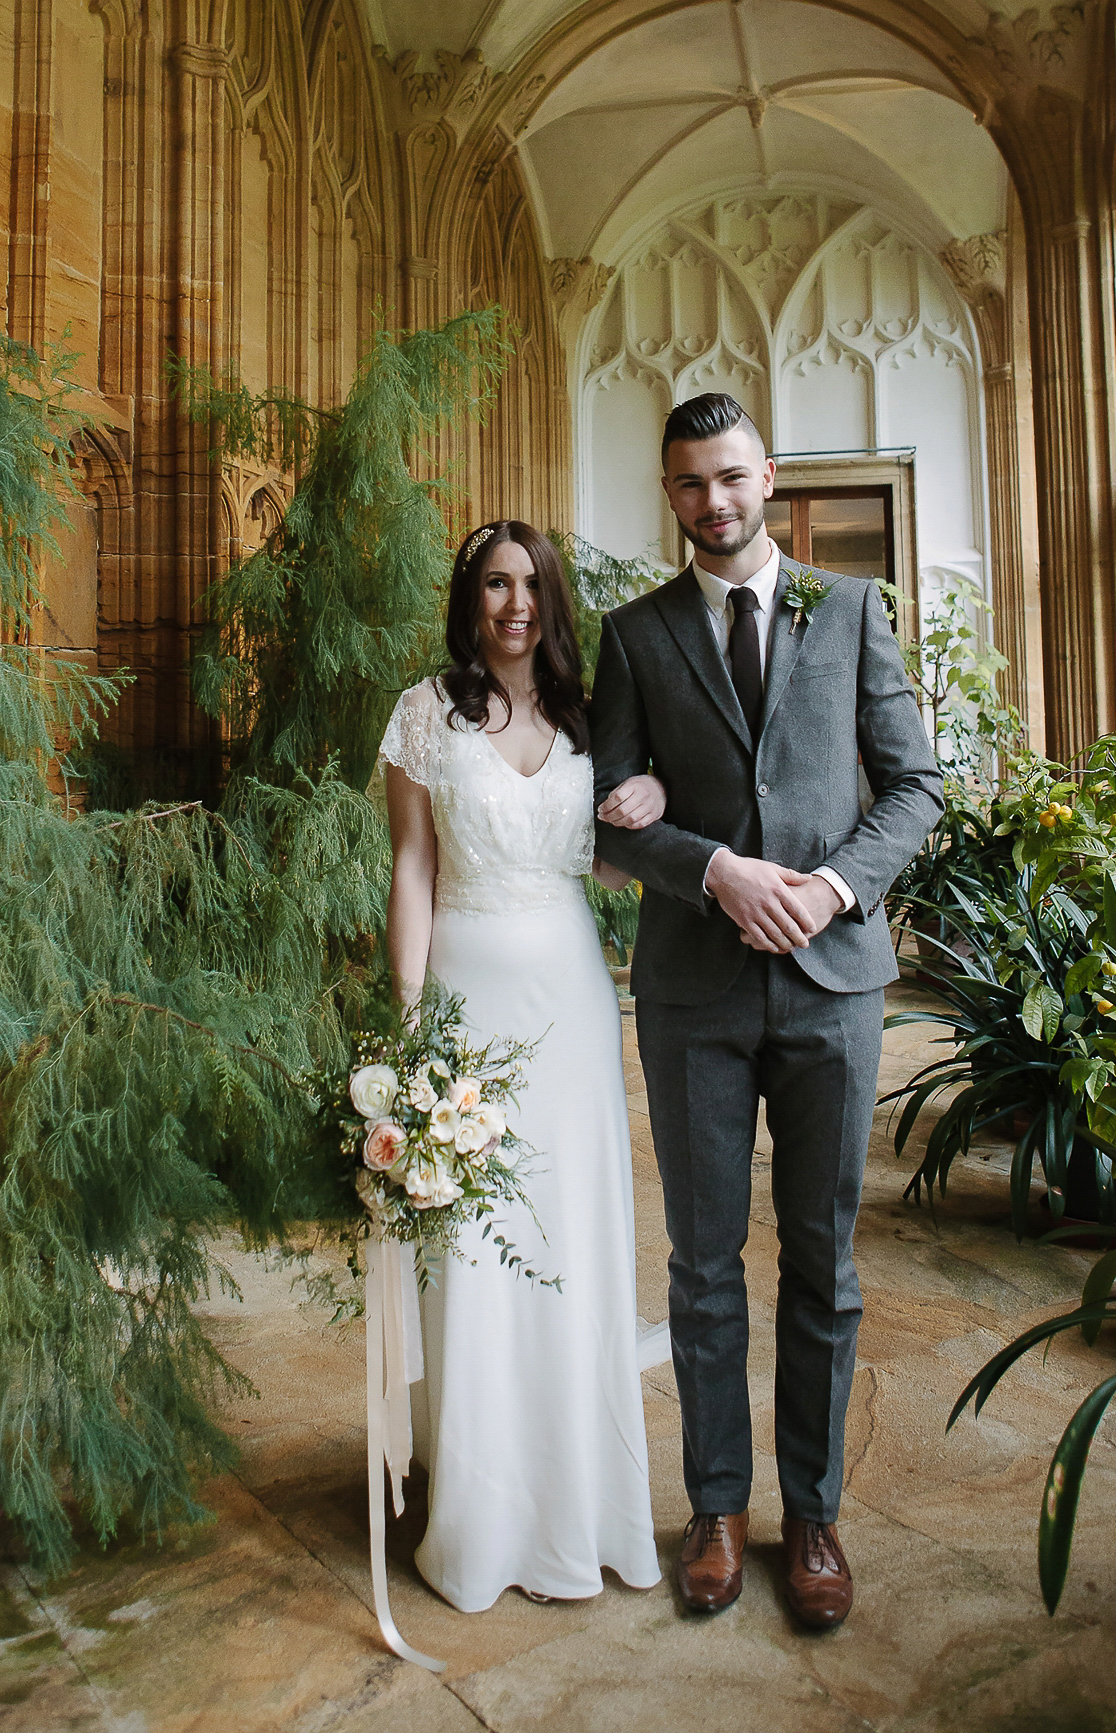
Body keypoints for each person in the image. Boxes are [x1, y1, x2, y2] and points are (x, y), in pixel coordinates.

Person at [590, 393, 943, 1629]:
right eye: (690, 484)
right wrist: (715, 873)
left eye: (732, 477)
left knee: (825, 1265)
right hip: (694, 992)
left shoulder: (850, 611)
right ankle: (719, 1511)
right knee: (700, 1266)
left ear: (769, 475)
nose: (715, 503)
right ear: (670, 492)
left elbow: (915, 789)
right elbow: (610, 817)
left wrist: (836, 884)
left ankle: (818, 1516)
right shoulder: (631, 635)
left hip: (835, 989)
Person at [379, 519, 665, 1613]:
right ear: (471, 599)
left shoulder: (594, 720)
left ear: (552, 598)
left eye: (530, 584)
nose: (513, 603)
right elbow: (411, 868)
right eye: (494, 585)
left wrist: (653, 807)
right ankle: (482, 1498)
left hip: (573, 1004)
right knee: (472, 1244)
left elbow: (616, 859)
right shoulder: (424, 714)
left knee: (567, 1228)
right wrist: (410, 1020)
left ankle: (579, 1493)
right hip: (464, 992)